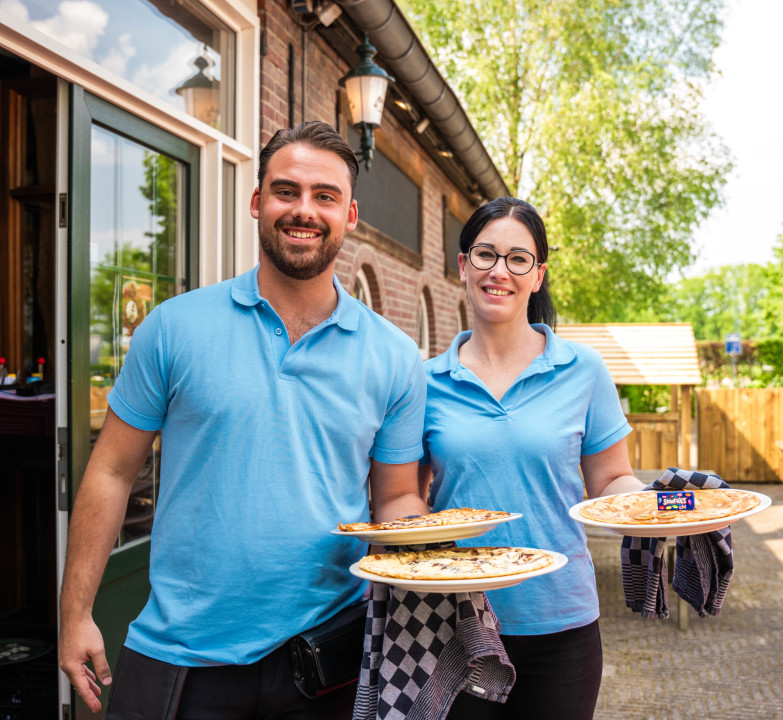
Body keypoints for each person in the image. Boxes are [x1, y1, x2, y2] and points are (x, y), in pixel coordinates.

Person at [59, 121, 430, 719]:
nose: (303, 210)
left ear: (351, 214)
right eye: (286, 191)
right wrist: (75, 614)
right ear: (257, 203)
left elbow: (395, 499)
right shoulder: (174, 328)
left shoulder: (394, 357)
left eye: (324, 196)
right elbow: (110, 472)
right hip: (180, 655)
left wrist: (438, 551)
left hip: (324, 658)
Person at [419, 197, 644, 720]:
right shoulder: (424, 382)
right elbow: (405, 496)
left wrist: (662, 507)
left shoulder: (583, 370)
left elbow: (611, 480)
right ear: (462, 266)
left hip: (562, 623)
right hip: (457, 625)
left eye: (518, 259)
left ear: (538, 275)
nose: (500, 271)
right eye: (485, 255)